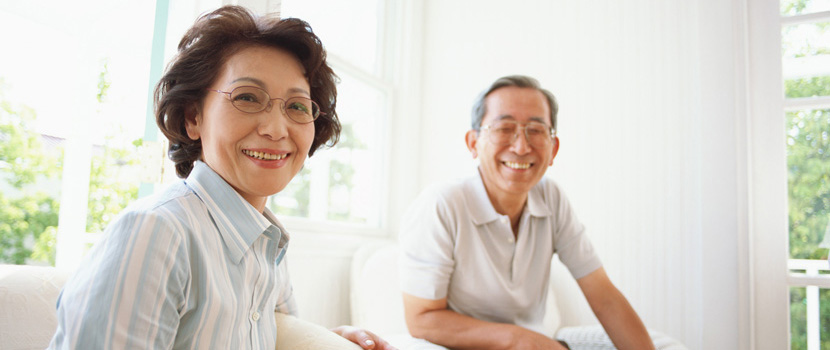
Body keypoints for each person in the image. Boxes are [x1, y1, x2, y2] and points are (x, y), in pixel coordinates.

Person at [48, 6, 394, 350]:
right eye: (247, 97)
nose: (276, 129)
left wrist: (325, 341)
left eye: (297, 106)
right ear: (193, 118)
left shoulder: (267, 242)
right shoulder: (156, 232)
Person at [398, 75, 654, 350]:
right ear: (473, 143)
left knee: (662, 344)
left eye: (535, 130)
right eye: (504, 128)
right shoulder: (443, 203)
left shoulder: (551, 198)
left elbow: (604, 297)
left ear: (553, 148)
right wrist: (520, 339)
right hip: (471, 346)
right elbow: (422, 320)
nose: (521, 147)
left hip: (537, 343)